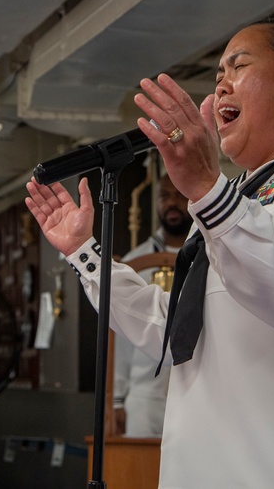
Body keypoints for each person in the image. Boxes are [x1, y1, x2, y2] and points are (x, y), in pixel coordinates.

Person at [26, 19, 274, 487]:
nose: (221, 83)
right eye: (218, 73)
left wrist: (206, 188)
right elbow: (179, 331)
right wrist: (85, 254)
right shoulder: (245, 195)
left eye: (238, 66)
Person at [113, 173, 190, 437]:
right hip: (144, 394)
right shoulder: (136, 263)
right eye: (165, 196)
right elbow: (120, 336)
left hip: (195, 390)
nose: (172, 203)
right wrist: (117, 399)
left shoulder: (211, 255)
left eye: (180, 195)